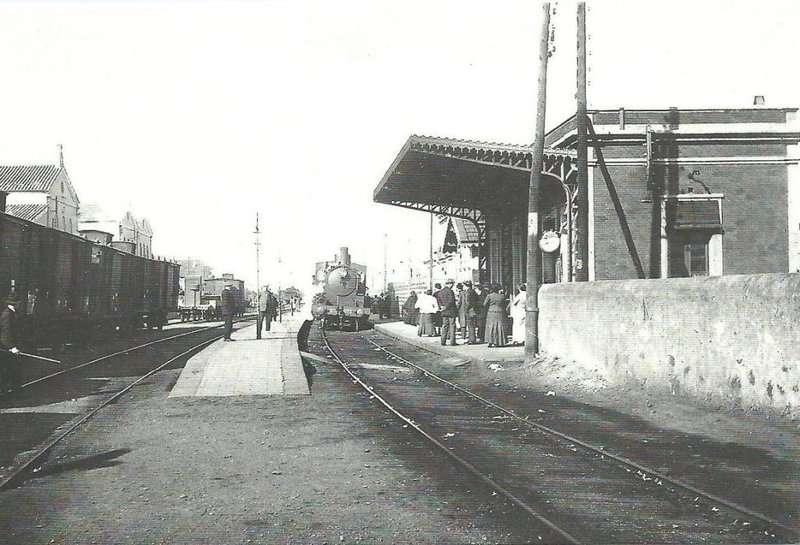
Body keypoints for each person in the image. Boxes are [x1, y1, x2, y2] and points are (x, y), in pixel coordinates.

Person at [0, 289, 21, 392]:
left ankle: (12, 389)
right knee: (6, 369)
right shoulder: (7, 315)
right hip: (6, 348)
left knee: (12, 369)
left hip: (10, 348)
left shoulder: (12, 313)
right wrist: (12, 347)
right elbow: (5, 334)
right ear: (16, 303)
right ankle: (6, 391)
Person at [436, 279, 458, 346]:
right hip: (451, 311)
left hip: (444, 311)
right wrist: (446, 306)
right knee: (452, 326)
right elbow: (451, 301)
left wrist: (441, 306)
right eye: (452, 284)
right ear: (449, 284)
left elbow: (438, 300)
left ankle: (443, 341)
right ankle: (452, 341)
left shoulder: (441, 291)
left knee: (444, 326)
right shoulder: (450, 291)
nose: (453, 286)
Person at [459, 280, 479, 344]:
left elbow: (468, 302)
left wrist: (466, 309)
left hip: (469, 311)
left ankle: (472, 340)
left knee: (470, 326)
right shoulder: (473, 292)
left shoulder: (468, 292)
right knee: (472, 325)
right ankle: (471, 338)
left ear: (465, 285)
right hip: (474, 310)